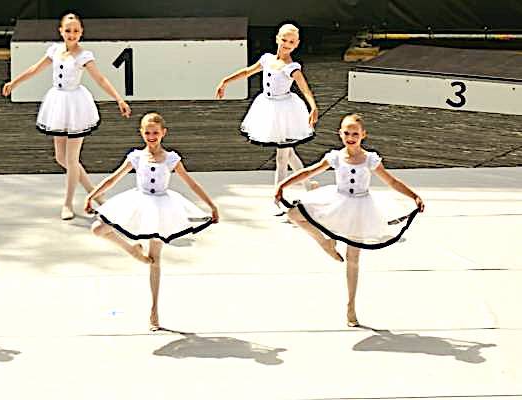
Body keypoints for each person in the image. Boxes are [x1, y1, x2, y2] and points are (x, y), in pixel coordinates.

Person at [275, 113, 425, 327]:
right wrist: (283, 185)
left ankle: (351, 306)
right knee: (293, 214)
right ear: (340, 134)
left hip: (361, 209)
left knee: (353, 259)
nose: (350, 137)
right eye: (347, 133)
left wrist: (414, 196)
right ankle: (325, 242)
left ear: (363, 135)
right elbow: (309, 171)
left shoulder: (370, 159)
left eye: (355, 134)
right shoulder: (335, 157)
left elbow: (391, 181)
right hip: (337, 202)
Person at [85, 112, 219, 331]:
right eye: (147, 132)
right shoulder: (136, 157)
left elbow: (191, 183)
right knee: (98, 228)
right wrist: (92, 195)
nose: (151, 136)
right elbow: (113, 178)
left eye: (155, 132)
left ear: (163, 133)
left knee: (155, 260)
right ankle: (133, 250)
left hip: (162, 208)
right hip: (139, 202)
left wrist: (211, 206)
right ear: (141, 133)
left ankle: (154, 311)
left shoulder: (171, 159)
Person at [2, 12, 132, 220]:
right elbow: (35, 69)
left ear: (81, 33)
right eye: (68, 30)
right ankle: (96, 194)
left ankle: (68, 203)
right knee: (61, 158)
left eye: (76, 31)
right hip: (58, 104)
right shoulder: (54, 50)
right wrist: (14, 82)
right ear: (61, 31)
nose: (72, 34)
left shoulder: (84, 56)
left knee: (72, 159)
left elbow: (100, 79)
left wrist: (119, 99)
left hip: (76, 106)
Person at [216, 23, 319, 213]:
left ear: (296, 44)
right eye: (284, 40)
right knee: (289, 153)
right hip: (268, 107)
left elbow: (304, 87)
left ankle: (278, 198)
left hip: (285, 111)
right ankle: (308, 185)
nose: (287, 44)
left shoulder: (292, 67)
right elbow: (247, 71)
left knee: (282, 157)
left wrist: (313, 106)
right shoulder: (266, 59)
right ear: (277, 38)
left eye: (291, 42)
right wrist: (226, 81)